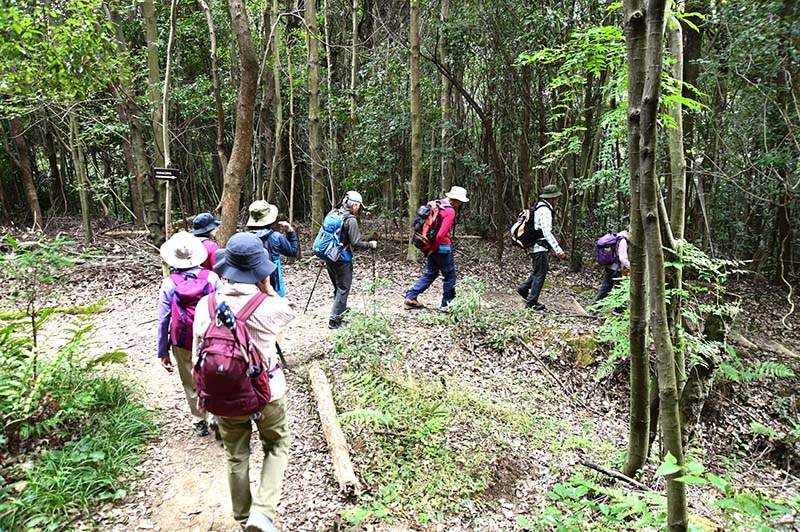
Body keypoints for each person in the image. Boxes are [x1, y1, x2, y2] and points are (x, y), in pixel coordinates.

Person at [193, 232, 296, 532]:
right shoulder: (269, 307)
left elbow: (199, 352)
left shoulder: (206, 306)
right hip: (267, 393)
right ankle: (262, 514)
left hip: (224, 395)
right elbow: (288, 311)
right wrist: (268, 289)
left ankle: (242, 520)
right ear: (258, 272)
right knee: (277, 445)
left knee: (236, 455)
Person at [157, 231, 222, 436]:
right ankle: (217, 415)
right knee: (214, 375)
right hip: (211, 335)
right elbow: (223, 307)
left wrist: (163, 350)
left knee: (190, 379)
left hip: (182, 339)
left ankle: (200, 419)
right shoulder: (212, 277)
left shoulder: (169, 283)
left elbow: (163, 319)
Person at [404, 185, 469, 309]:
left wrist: (429, 249)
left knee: (430, 273)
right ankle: (447, 305)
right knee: (450, 276)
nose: (460, 204)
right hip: (441, 248)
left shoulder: (436, 204)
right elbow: (440, 235)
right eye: (460, 202)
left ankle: (411, 296)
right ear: (455, 200)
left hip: (430, 246)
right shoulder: (450, 211)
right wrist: (433, 249)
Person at [320, 191, 377, 329]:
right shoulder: (350, 220)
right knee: (343, 288)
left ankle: (341, 309)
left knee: (338, 286)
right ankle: (334, 320)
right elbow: (356, 242)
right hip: (342, 259)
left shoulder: (333, 213)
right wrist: (370, 245)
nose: (359, 208)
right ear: (355, 205)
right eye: (358, 205)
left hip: (329, 256)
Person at [516, 184, 566, 311]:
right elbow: (546, 232)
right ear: (552, 198)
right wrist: (558, 250)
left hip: (535, 245)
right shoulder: (545, 210)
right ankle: (532, 302)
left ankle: (524, 288)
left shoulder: (539, 206)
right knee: (540, 274)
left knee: (539, 270)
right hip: (539, 247)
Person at [246, 200, 299, 297]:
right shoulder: (276, 237)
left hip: (250, 280)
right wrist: (290, 232)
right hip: (273, 278)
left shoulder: (245, 238)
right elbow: (292, 251)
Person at [593, 228, 630, 306]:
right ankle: (619, 310)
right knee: (620, 290)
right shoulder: (623, 241)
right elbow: (622, 258)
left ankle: (595, 306)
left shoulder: (616, 236)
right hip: (617, 270)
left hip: (609, 267)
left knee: (605, 288)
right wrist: (630, 266)